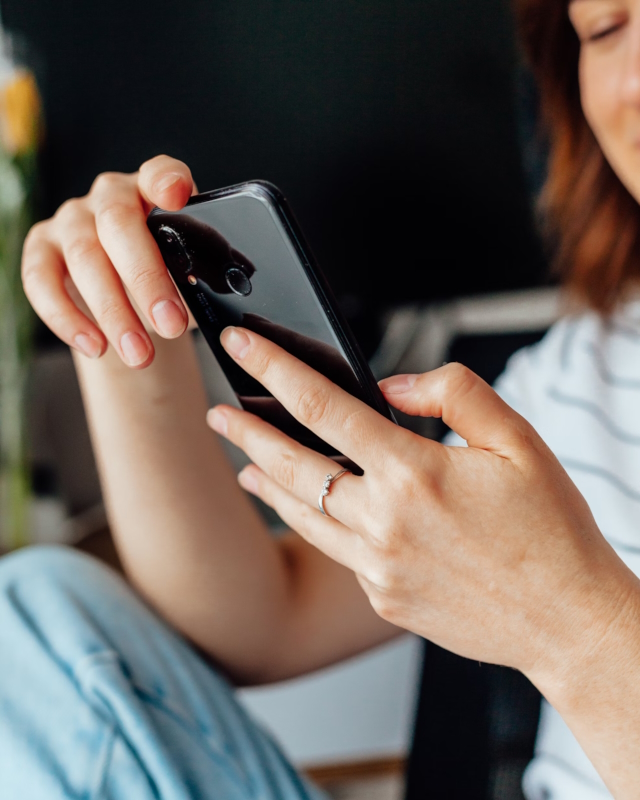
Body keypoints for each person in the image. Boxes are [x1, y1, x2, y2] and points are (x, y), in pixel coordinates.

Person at [2, 0, 640, 796]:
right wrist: (126, 327)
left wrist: (577, 627)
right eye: (606, 32)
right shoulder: (578, 374)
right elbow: (265, 620)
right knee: (28, 615)